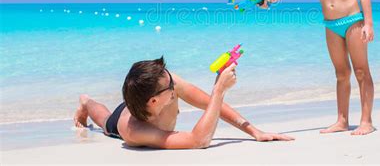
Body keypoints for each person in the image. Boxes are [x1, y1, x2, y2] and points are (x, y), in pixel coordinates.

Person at [260, 0, 375, 135]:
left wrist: (368, 23)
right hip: (331, 26)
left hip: (353, 23)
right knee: (341, 73)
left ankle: (366, 121)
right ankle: (342, 120)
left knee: (361, 71)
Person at [73, 57, 294, 148]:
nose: (174, 82)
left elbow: (209, 104)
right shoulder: (135, 132)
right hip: (122, 120)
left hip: (138, 99)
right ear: (154, 100)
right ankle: (86, 101)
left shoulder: (166, 83)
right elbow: (199, 141)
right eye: (170, 84)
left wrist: (254, 131)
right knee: (103, 120)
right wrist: (219, 90)